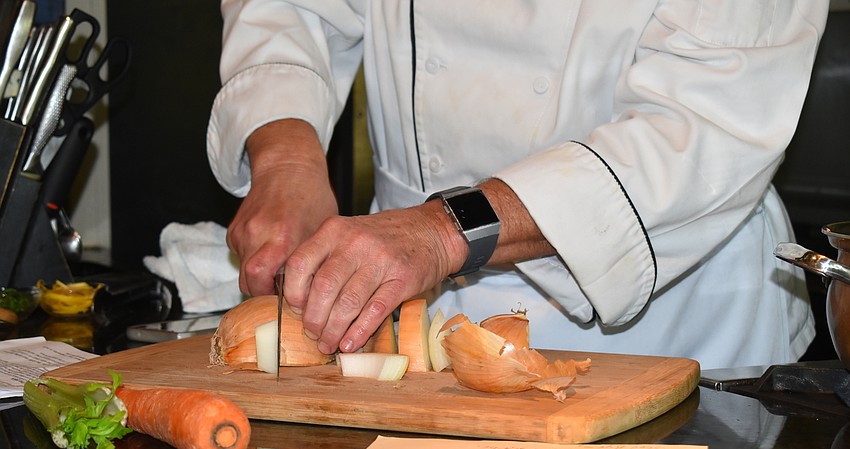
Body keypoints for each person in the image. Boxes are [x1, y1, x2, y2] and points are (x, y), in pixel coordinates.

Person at [207, 1, 828, 370]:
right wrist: (287, 159)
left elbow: (706, 122)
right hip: (399, 314)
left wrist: (444, 233)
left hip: (670, 323)